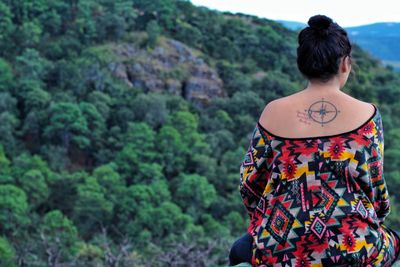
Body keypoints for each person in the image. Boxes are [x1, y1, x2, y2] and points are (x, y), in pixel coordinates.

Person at [229, 14, 400, 266]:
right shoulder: (368, 114)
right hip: (356, 246)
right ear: (345, 64)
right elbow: (376, 190)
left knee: (239, 251)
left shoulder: (272, 112)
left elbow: (250, 184)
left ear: (302, 64)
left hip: (281, 248)